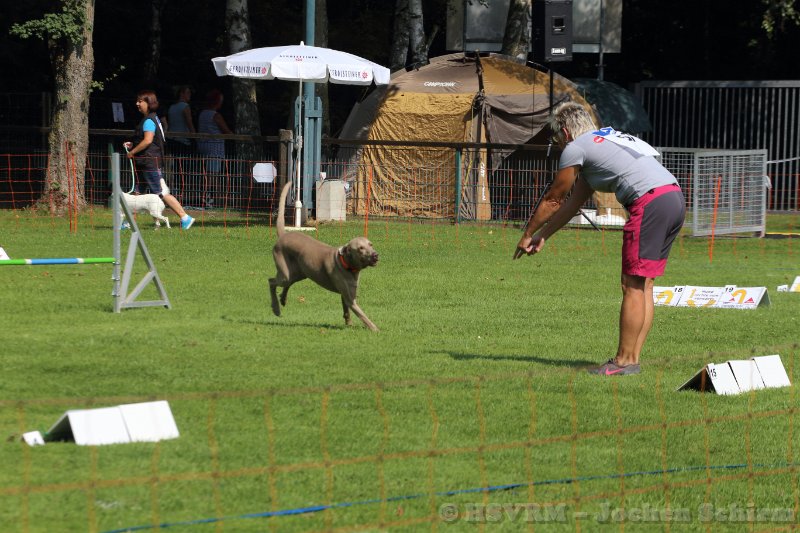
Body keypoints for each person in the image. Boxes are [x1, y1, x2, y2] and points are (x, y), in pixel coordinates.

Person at [513, 102, 685, 376]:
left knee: (632, 285)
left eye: (557, 138)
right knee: (645, 285)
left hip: (649, 203)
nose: (559, 145)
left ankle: (623, 362)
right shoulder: (603, 143)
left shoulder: (576, 148)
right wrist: (543, 235)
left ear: (566, 132)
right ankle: (632, 359)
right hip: (673, 198)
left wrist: (526, 234)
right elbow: (572, 204)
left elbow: (554, 199)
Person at [124, 89, 195, 230]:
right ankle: (128, 223)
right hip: (147, 161)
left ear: (148, 103)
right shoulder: (153, 118)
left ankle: (185, 217)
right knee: (137, 193)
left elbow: (148, 140)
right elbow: (149, 140)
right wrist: (133, 144)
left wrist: (132, 152)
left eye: (140, 101)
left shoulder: (148, 121)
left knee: (161, 192)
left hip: (149, 162)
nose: (137, 103)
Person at [196, 89, 232, 209]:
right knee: (212, 175)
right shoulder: (216, 115)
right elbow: (226, 131)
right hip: (214, 148)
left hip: (203, 146)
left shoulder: (202, 114)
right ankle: (207, 198)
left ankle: (215, 200)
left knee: (210, 174)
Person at [166, 85, 196, 153]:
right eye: (188, 93)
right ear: (181, 94)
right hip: (182, 140)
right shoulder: (185, 106)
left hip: (171, 139)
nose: (190, 95)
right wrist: (195, 137)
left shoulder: (171, 107)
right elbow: (189, 123)